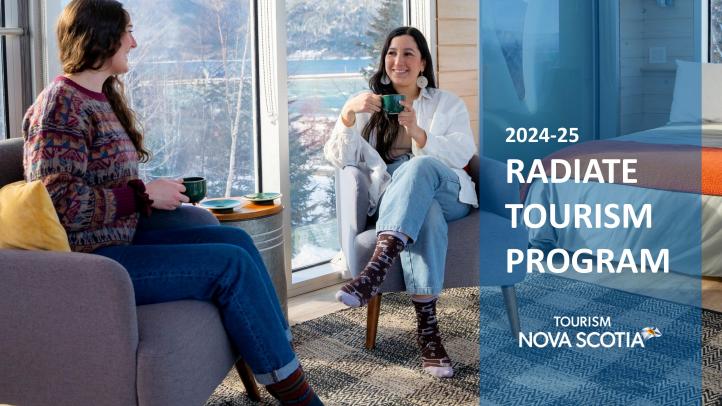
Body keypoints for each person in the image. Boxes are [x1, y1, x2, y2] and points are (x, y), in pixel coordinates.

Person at [22, 1, 322, 404]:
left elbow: (101, 181)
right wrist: (143, 195)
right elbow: (61, 204)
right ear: (101, 36)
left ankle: (276, 353)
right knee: (228, 266)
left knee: (238, 242)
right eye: (127, 31)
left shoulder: (97, 98)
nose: (135, 41)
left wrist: (154, 194)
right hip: (92, 264)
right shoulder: (60, 105)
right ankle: (297, 394)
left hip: (119, 240)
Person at [324, 26, 478, 379]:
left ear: (422, 63)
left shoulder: (445, 103)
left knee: (420, 166)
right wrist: (347, 114)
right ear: (384, 62)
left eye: (409, 53)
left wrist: (419, 134)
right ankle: (429, 336)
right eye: (392, 53)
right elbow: (340, 159)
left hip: (449, 188)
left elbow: (463, 151)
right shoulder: (369, 107)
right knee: (426, 214)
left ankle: (375, 269)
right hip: (401, 198)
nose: (399, 61)